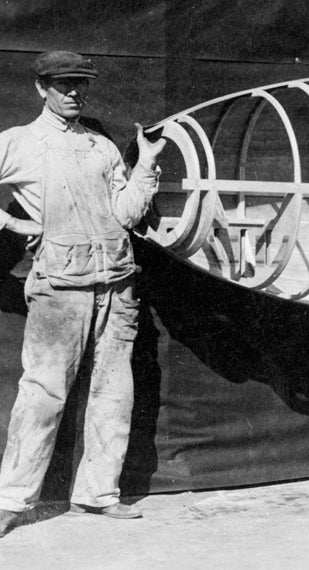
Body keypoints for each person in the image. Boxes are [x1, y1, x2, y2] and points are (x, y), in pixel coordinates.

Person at [0, 51, 163, 538]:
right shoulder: (20, 143)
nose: (74, 93)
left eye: (80, 84)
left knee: (114, 392)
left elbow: (128, 215)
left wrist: (146, 164)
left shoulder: (101, 147)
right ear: (41, 87)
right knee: (44, 395)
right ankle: (11, 500)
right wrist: (13, 223)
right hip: (59, 290)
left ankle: (98, 494)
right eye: (63, 84)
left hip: (117, 286)